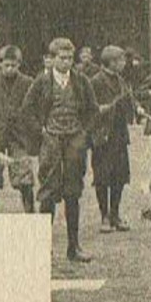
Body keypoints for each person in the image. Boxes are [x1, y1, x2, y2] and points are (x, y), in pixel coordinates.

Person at [22, 38, 98, 262]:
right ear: (52, 58)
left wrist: (84, 134)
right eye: (61, 58)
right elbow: (26, 110)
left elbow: (94, 110)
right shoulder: (41, 82)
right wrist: (41, 131)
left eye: (69, 58)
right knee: (48, 191)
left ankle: (73, 247)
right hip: (51, 141)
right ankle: (44, 247)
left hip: (75, 139)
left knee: (73, 192)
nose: (66, 63)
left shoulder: (81, 81)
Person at [0, 46, 37, 213]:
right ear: (0, 63)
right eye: (7, 65)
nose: (10, 69)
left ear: (19, 64)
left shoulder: (28, 82)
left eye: (14, 65)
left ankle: (30, 216)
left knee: (24, 177)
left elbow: (35, 106)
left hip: (19, 136)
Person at [90, 45, 137, 231]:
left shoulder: (121, 80)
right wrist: (103, 110)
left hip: (119, 134)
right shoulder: (95, 81)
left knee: (119, 175)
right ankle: (104, 217)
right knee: (102, 177)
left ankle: (115, 214)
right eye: (122, 60)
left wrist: (136, 109)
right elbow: (89, 108)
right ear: (112, 62)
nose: (124, 64)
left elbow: (129, 101)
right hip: (102, 136)